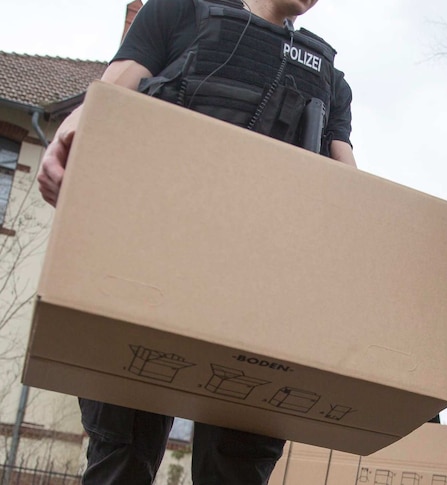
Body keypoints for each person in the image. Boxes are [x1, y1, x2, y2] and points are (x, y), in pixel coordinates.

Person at [37, 0, 355, 483]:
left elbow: (351, 194)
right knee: (121, 456)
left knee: (238, 468)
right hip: (147, 275)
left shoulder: (330, 81)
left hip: (260, 304)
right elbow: (109, 92)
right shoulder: (177, 12)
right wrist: (72, 132)